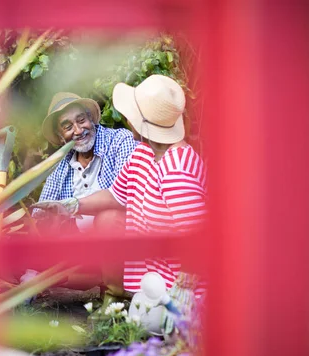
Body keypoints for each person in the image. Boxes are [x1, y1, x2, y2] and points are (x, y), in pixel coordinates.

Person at [35, 75, 207, 324]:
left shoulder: (177, 171)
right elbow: (116, 195)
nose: (127, 120)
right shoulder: (144, 153)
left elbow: (198, 241)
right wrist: (72, 205)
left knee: (152, 331)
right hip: (151, 285)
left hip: (177, 292)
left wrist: (181, 295)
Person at [35, 92, 137, 233]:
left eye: (82, 120)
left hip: (118, 239)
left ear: (91, 118)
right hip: (76, 244)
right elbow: (40, 214)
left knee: (109, 218)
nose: (78, 130)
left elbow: (127, 195)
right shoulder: (59, 165)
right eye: (68, 127)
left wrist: (72, 206)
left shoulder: (119, 141)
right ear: (60, 137)